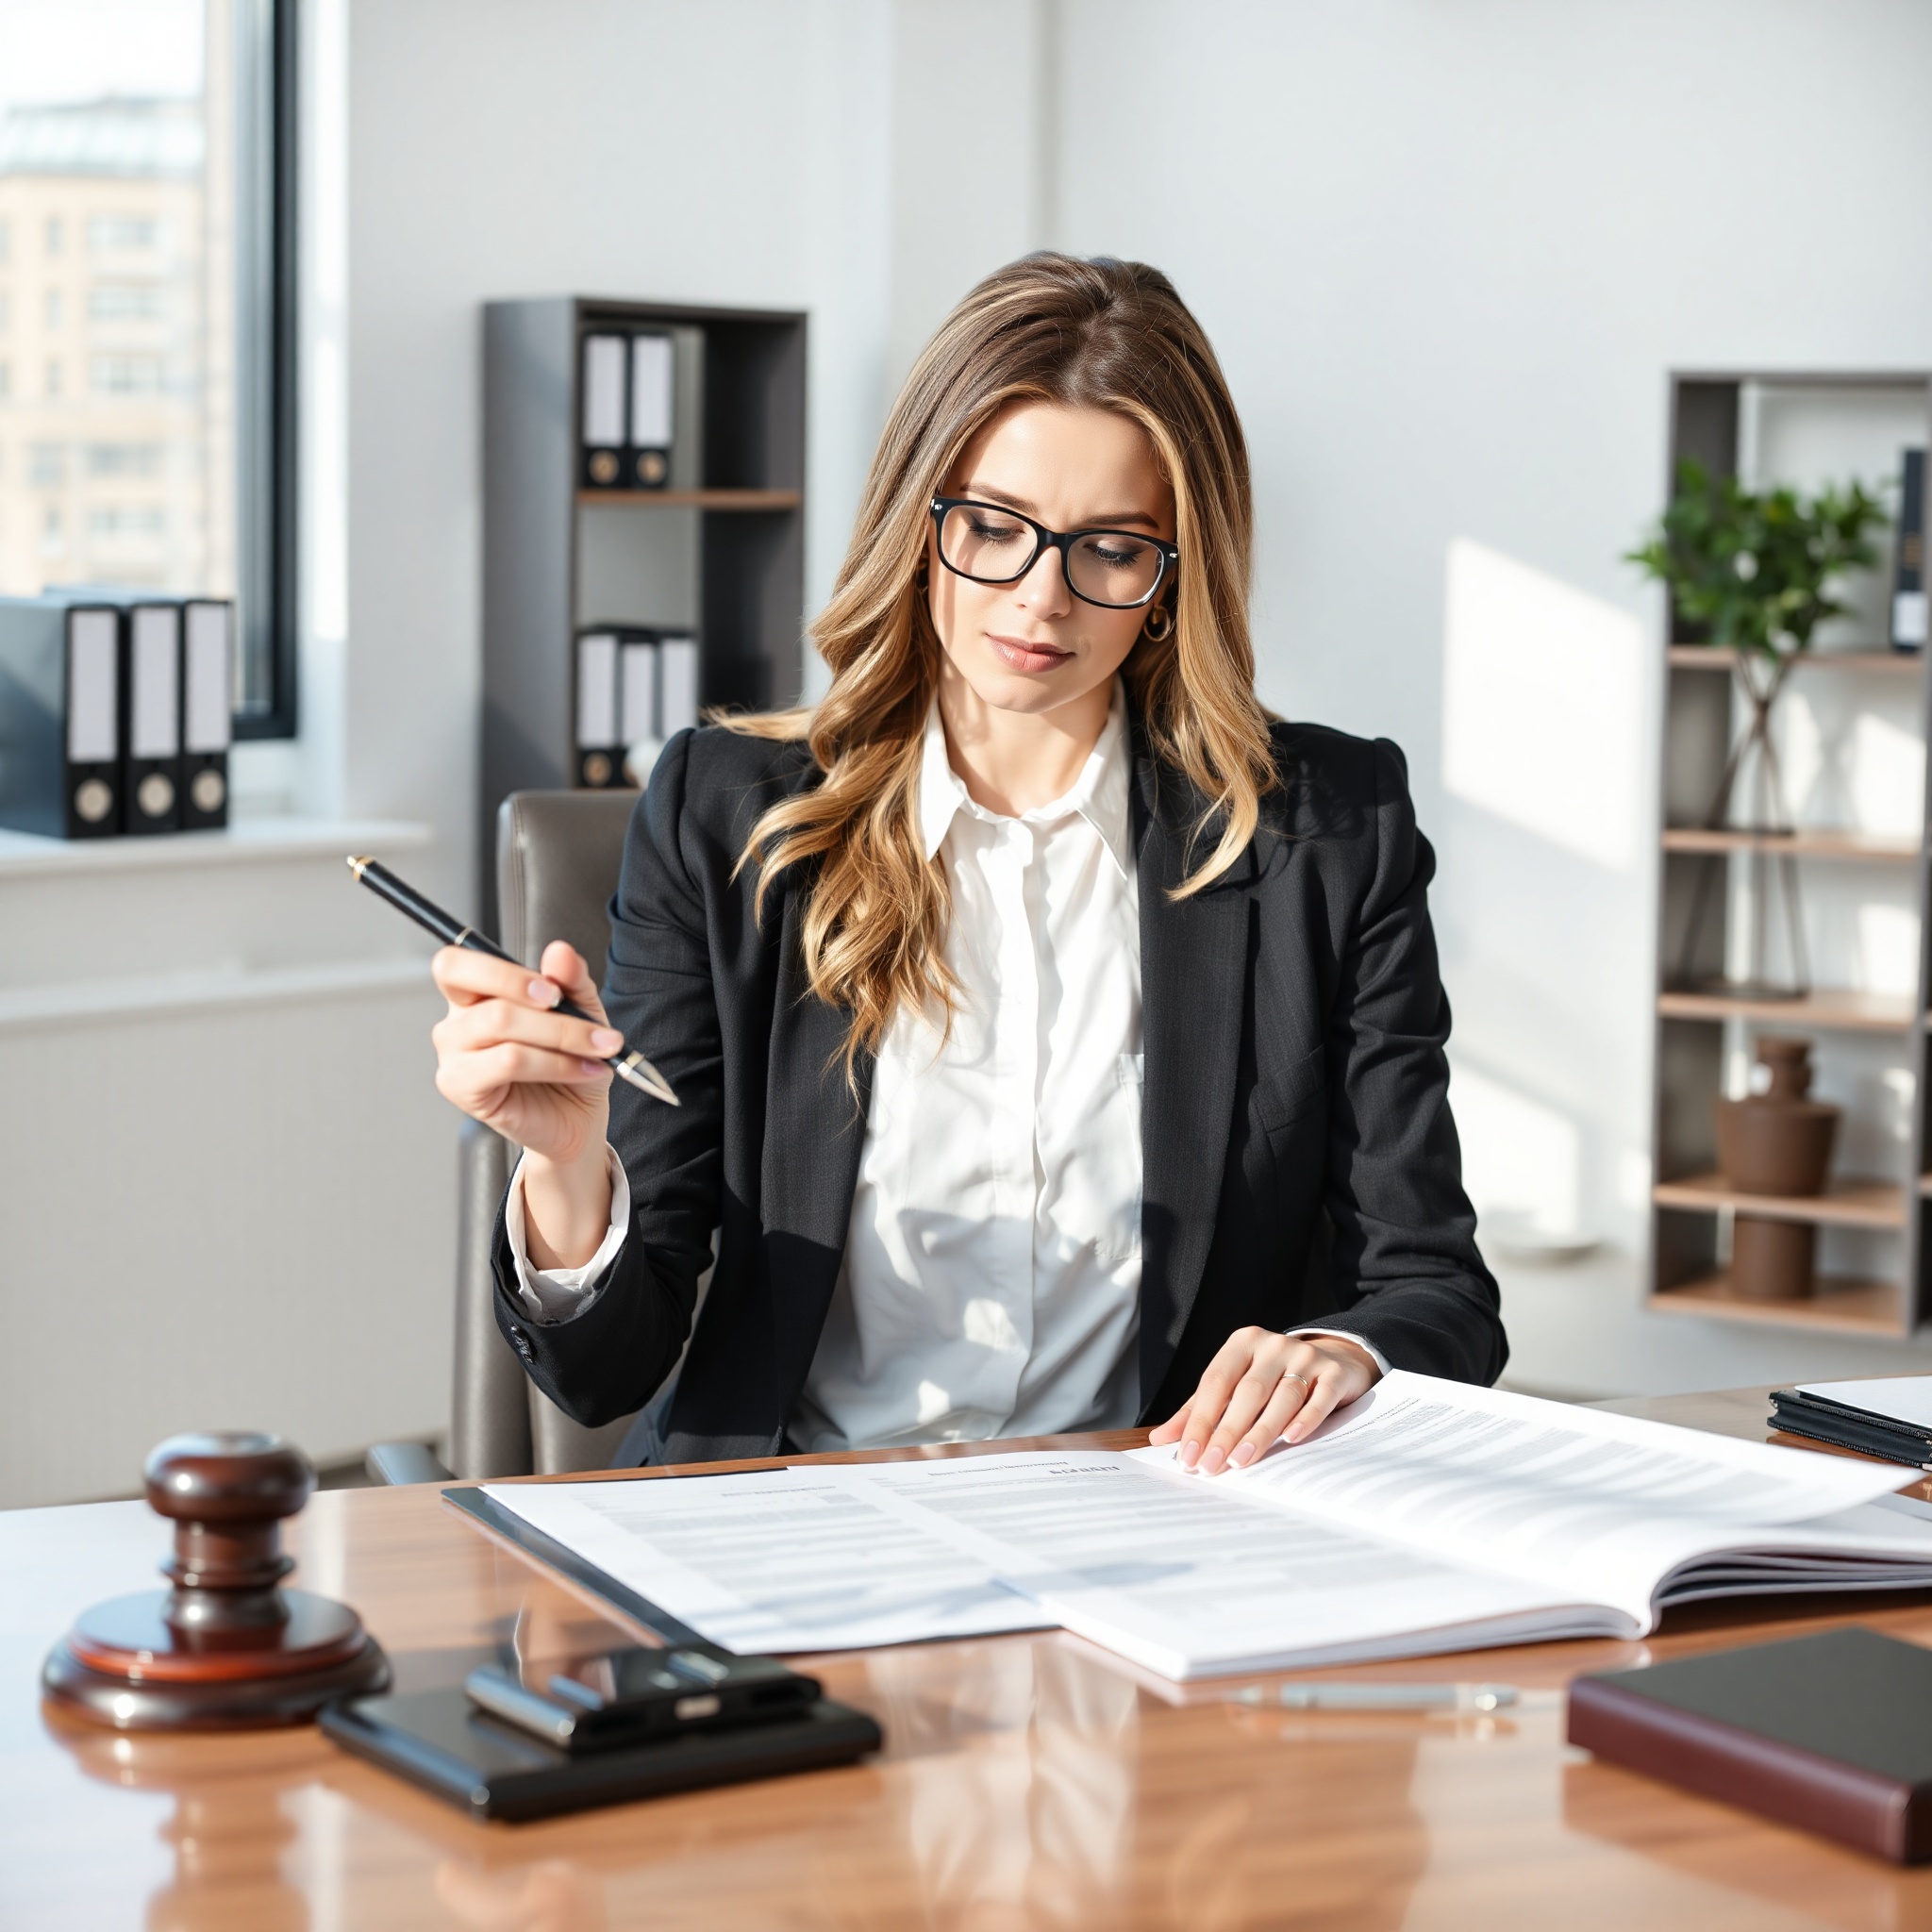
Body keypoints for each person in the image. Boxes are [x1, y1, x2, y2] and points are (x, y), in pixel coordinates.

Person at [430, 253, 1505, 1474]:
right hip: (796, 1533)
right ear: (920, 518)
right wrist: (570, 1171)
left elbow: (1437, 1291)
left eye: (1108, 548)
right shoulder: (727, 814)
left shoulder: (1326, 833)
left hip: (1151, 1535)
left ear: (1173, 574)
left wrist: (1339, 1351)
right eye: (993, 528)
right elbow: (602, 1372)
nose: (1041, 600)